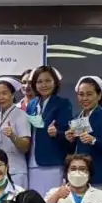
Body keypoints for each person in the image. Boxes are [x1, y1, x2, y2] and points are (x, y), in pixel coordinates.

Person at [25, 66, 72, 195]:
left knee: (53, 199)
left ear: (55, 82)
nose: (43, 85)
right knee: (35, 200)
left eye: (47, 81)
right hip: (32, 161)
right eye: (39, 82)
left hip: (52, 161)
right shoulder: (32, 104)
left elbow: (68, 134)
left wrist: (57, 133)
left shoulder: (62, 104)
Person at [66, 76, 102, 190]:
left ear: (99, 95)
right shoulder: (77, 118)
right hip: (79, 177)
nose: (84, 98)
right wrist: (70, 139)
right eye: (81, 94)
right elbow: (73, 150)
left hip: (99, 176)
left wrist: (93, 140)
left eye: (89, 94)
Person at [0, 77, 31, 189]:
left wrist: (13, 136)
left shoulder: (21, 115)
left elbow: (25, 147)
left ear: (12, 94)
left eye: (4, 93)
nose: (1, 97)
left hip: (16, 171)